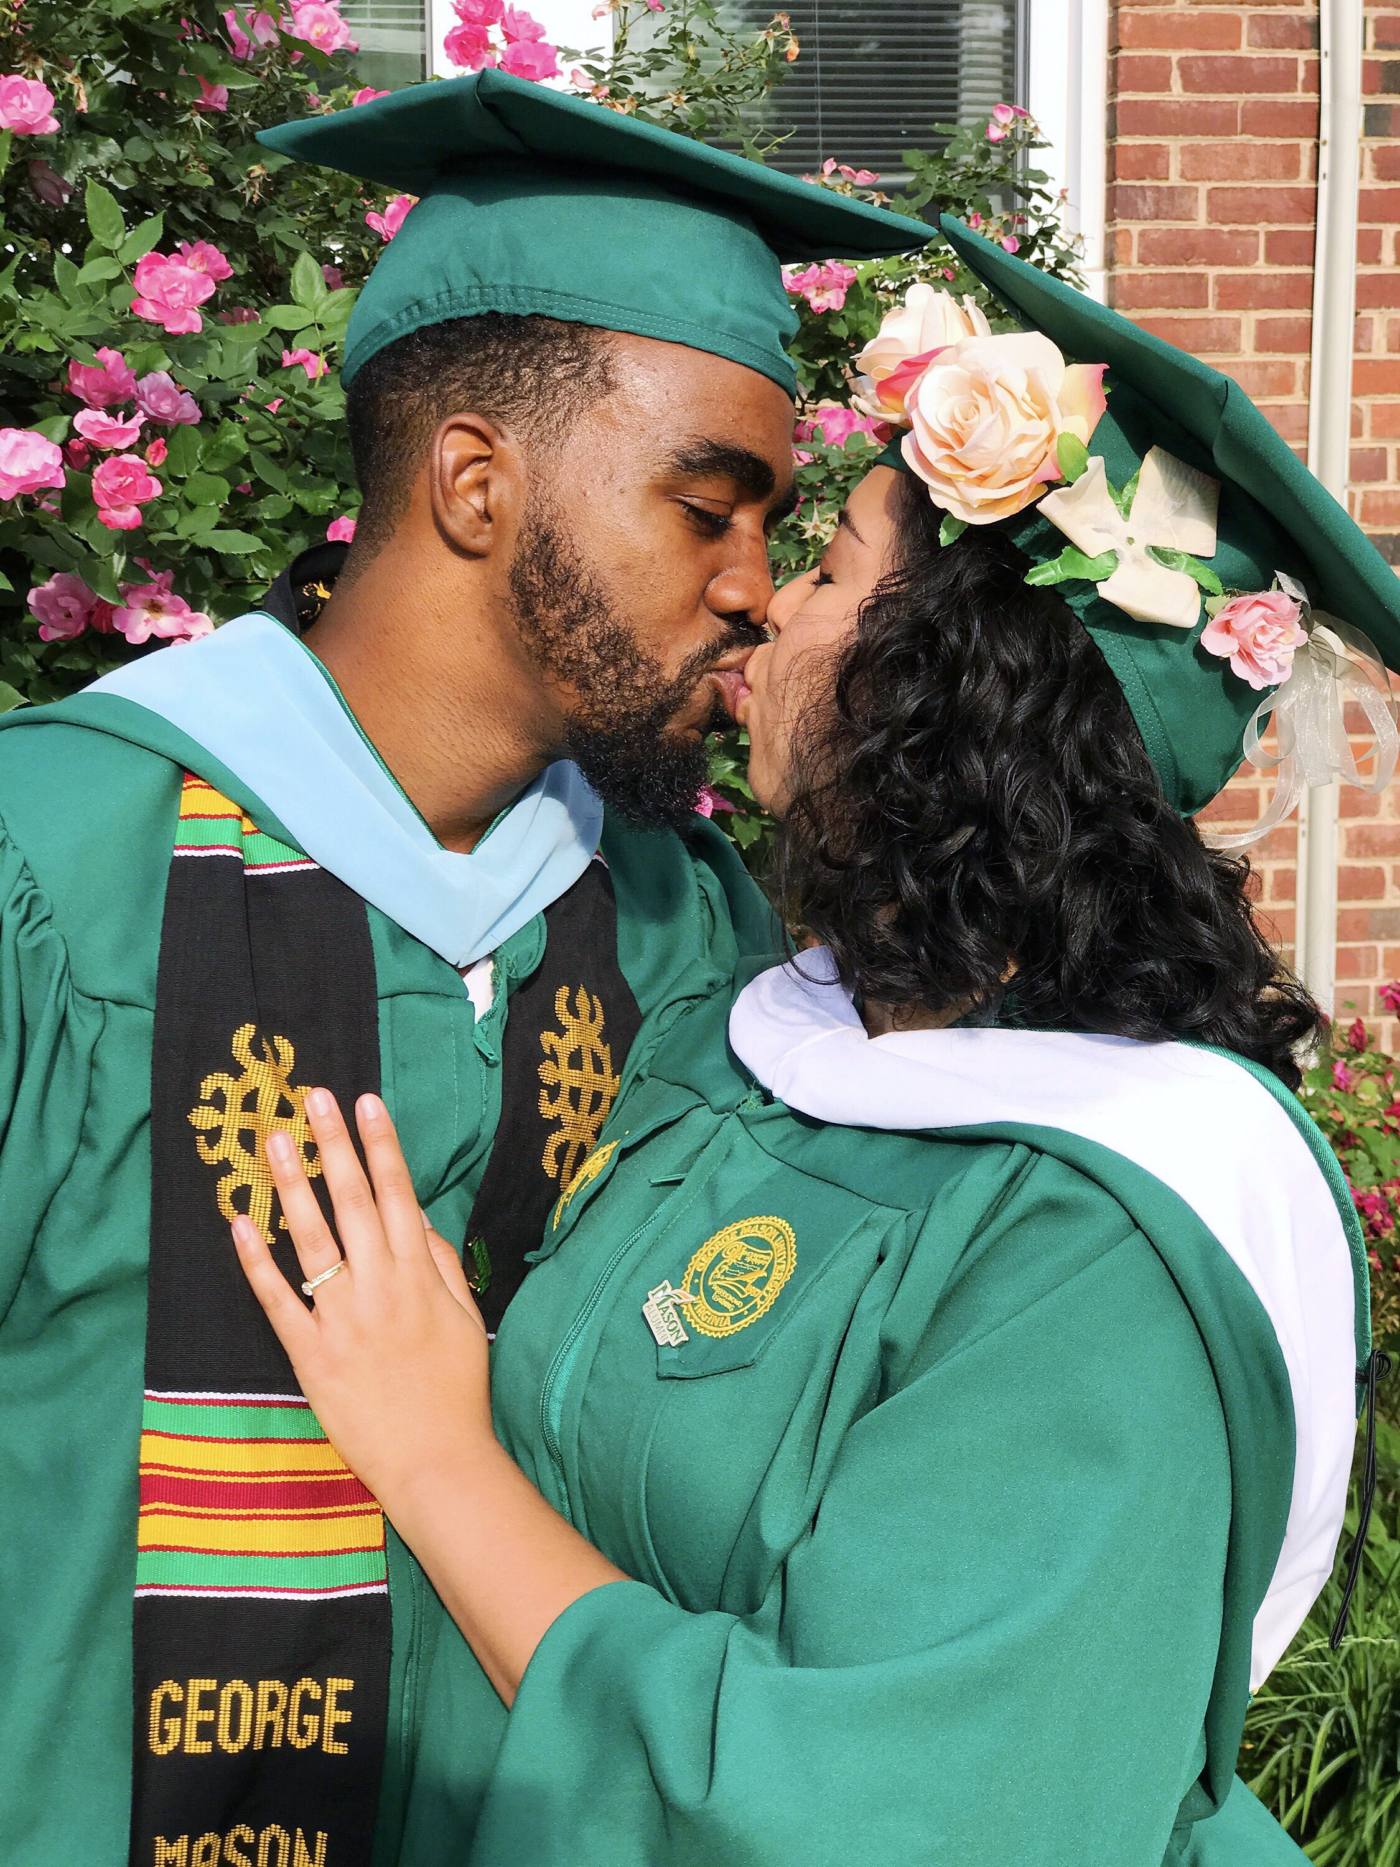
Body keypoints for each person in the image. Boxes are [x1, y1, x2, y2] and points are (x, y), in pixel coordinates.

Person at [235, 218, 1396, 1865]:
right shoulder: (755, 1029)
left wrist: (436, 1458)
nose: (764, 610)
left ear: (956, 688)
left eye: (835, 571)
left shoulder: (1098, 1246)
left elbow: (883, 1817)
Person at [0, 72, 928, 1867]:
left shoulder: (680, 920)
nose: (757, 589)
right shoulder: (55, 867)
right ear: (477, 486)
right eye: (707, 505)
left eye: (772, 527)